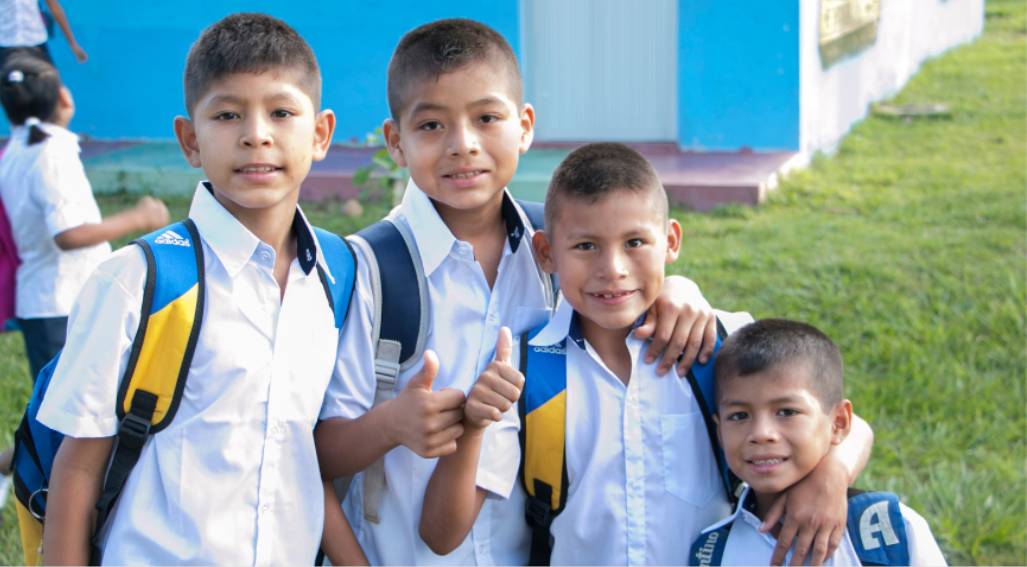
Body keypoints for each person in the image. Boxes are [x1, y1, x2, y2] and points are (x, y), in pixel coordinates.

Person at [315, 19, 720, 566]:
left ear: (524, 126)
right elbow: (312, 454)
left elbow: (627, 297)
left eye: (487, 118)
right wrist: (389, 425)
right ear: (396, 143)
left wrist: (679, 286)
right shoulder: (367, 269)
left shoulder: (563, 249)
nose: (464, 145)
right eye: (432, 125)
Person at [421, 143, 876, 566]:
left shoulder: (720, 344)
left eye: (635, 243)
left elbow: (851, 428)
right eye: (585, 246)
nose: (612, 269)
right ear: (546, 253)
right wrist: (473, 429)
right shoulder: (523, 367)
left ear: (671, 242)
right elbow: (442, 536)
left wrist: (832, 476)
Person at [36, 14, 365, 565]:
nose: (255, 133)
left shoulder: (337, 274)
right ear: (190, 140)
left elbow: (300, 458)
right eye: (227, 113)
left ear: (321, 134)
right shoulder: (136, 281)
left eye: (281, 112)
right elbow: (78, 469)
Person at [0, 53, 168, 532]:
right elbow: (68, 233)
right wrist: (139, 220)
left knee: (72, 415)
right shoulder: (51, 152)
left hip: (54, 301)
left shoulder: (17, 149)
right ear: (63, 97)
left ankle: (2, 471)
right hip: (62, 304)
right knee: (68, 422)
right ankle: (20, 484)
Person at [692, 318, 946, 566]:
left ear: (839, 423)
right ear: (720, 433)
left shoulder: (891, 531)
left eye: (787, 412)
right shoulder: (711, 553)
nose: (761, 433)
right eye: (739, 416)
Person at [0, 0, 88, 71]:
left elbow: (54, 7)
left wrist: (72, 43)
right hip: (6, 45)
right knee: (15, 96)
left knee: (49, 90)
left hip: (35, 42)